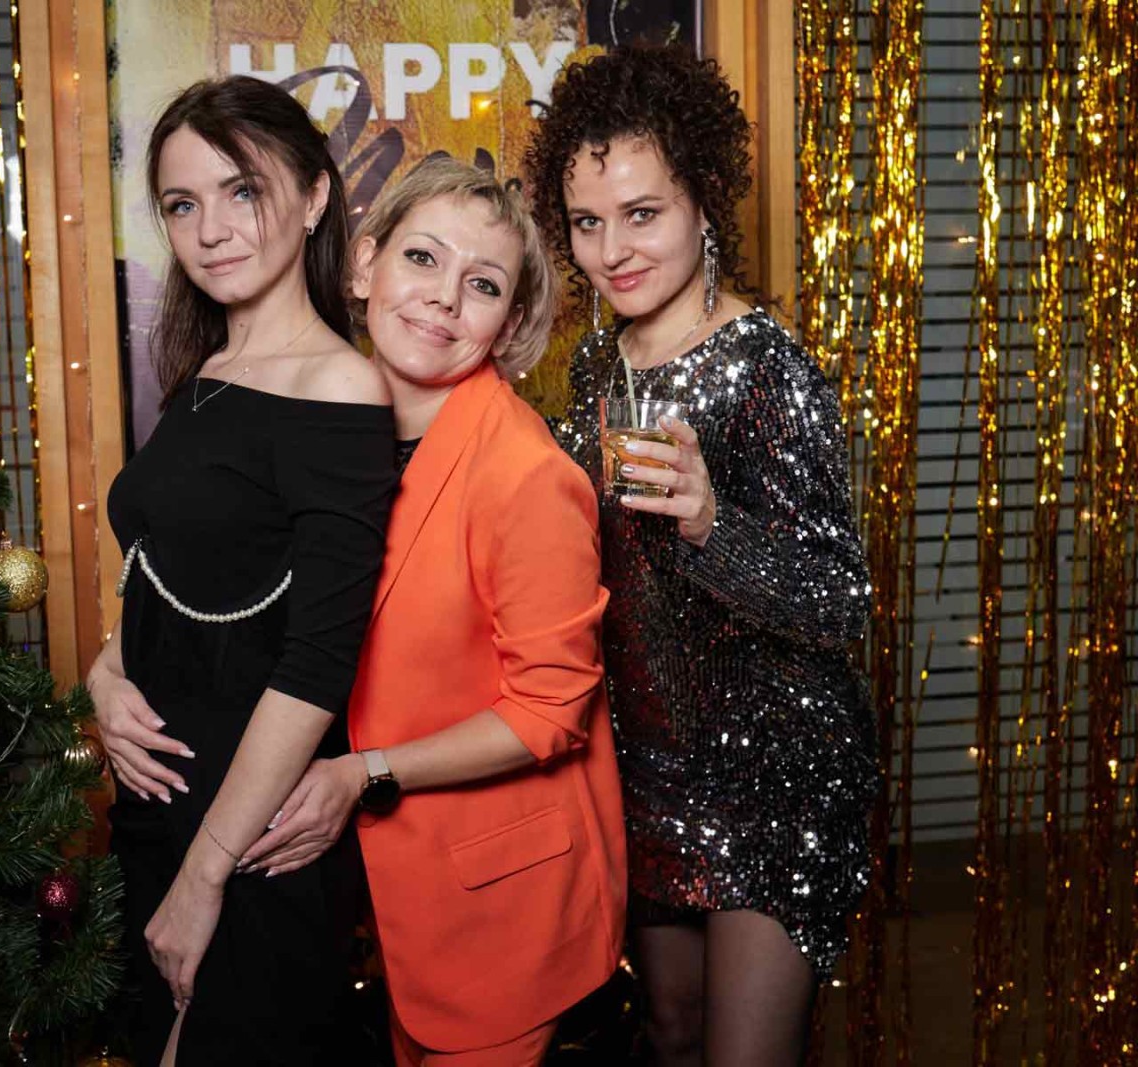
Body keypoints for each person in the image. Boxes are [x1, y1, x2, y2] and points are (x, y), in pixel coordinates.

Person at [525, 44, 876, 1066]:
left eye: (642, 213)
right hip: (648, 767)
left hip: (777, 776)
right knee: (671, 1031)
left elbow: (840, 601)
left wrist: (712, 523)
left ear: (703, 201)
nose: (612, 251)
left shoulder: (768, 367)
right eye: (587, 222)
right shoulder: (597, 362)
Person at [240, 157, 627, 1066]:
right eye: (422, 258)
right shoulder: (328, 434)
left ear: (511, 325)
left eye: (483, 284)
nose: (444, 298)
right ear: (364, 265)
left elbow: (549, 711)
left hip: (502, 908)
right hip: (379, 906)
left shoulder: (526, 474)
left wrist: (363, 773)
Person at [91, 76, 396, 1065]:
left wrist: (206, 874)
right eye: (182, 204)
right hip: (160, 807)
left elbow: (316, 660)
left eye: (242, 191)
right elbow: (178, 576)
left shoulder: (341, 391)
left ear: (313, 197)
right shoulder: (205, 376)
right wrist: (105, 672)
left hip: (246, 835)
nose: (211, 231)